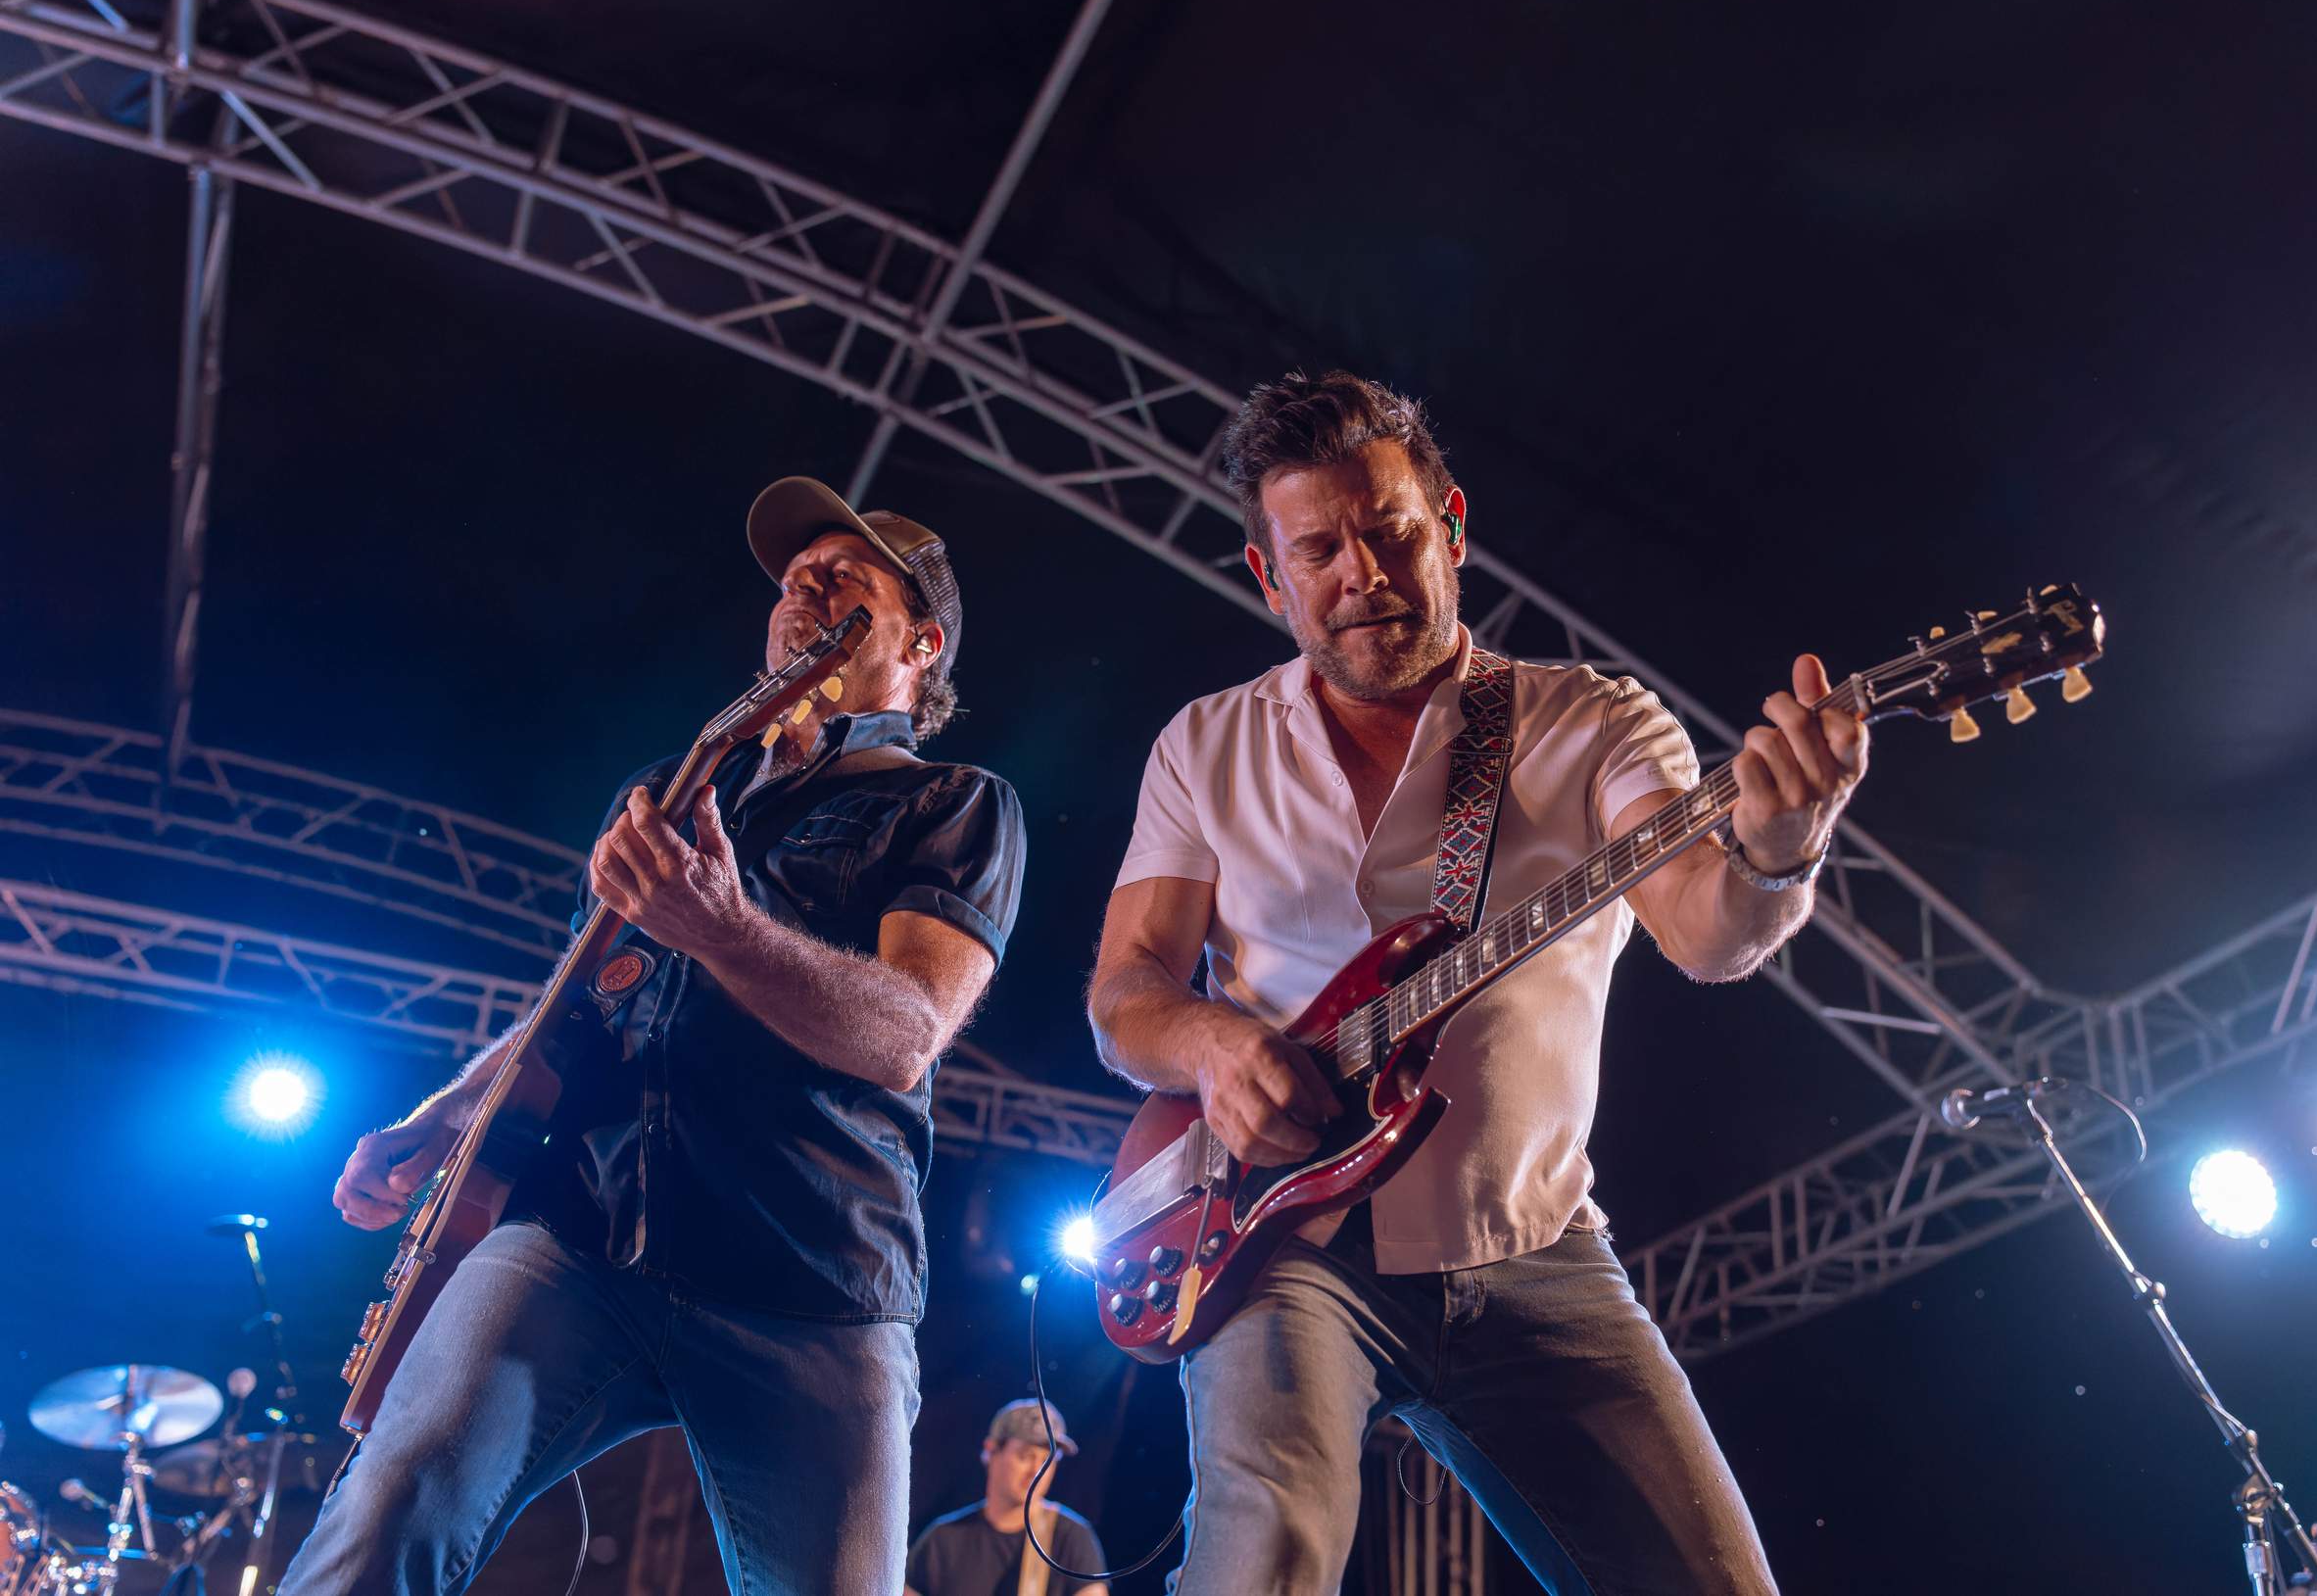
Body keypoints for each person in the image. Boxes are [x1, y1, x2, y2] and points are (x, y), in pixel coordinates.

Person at [1088, 371, 1866, 1595]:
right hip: (1287, 1244)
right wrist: (1207, 1045)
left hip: (1536, 1244)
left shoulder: (1594, 723)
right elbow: (1126, 991)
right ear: (1267, 575)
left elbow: (1708, 932)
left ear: (1448, 523)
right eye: (1320, 548)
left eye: (1392, 532)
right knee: (1265, 1556)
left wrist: (1779, 845)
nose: (1362, 573)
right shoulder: (1203, 744)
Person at [283, 477, 1027, 1596]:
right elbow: (578, 997)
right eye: (793, 580)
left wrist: (721, 927)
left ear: (918, 643)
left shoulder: (955, 804)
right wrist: (441, 1118)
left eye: (846, 579)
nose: (805, 591)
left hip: (814, 1272)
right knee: (382, 1511)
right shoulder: (669, 792)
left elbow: (905, 1033)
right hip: (582, 1235)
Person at [903, 1398, 1109, 1596]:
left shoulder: (1071, 1538)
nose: (1037, 1471)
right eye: (1025, 1456)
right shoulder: (941, 1540)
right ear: (991, 1450)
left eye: (1048, 1460)